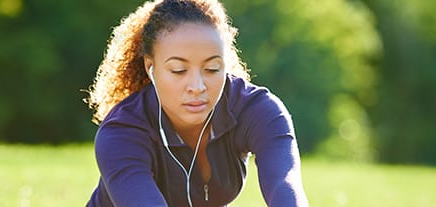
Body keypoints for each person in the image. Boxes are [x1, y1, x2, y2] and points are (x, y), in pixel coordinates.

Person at [85, 0, 308, 206]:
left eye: (212, 69)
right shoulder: (122, 132)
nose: (197, 86)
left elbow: (284, 187)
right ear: (150, 67)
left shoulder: (258, 111)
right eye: (178, 70)